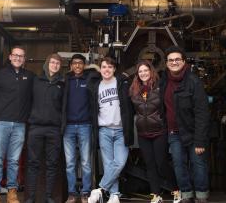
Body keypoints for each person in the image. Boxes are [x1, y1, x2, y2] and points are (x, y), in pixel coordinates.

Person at [160, 46, 211, 203]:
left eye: (177, 59)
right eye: (171, 60)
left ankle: (201, 196)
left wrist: (200, 140)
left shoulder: (193, 81)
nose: (174, 62)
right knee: (179, 165)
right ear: (166, 63)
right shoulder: (164, 81)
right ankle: (186, 195)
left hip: (193, 132)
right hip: (174, 133)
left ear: (183, 61)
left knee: (198, 165)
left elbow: (202, 112)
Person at [0, 46, 35, 203]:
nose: (18, 58)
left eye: (21, 56)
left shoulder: (30, 77)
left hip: (20, 124)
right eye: (15, 55)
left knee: (14, 160)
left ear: (24, 59)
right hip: (0, 123)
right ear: (10, 57)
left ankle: (12, 192)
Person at [87, 57, 134, 203]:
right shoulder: (96, 86)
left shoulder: (123, 83)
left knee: (119, 163)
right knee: (108, 165)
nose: (106, 69)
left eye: (110, 67)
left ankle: (100, 189)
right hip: (104, 131)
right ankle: (114, 195)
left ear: (114, 69)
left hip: (121, 130)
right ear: (99, 69)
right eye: (104, 67)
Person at [25, 53, 64, 203]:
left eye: (57, 63)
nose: (54, 65)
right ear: (47, 64)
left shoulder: (62, 83)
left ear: (60, 66)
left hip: (54, 129)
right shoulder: (36, 81)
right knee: (33, 163)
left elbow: (64, 106)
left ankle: (48, 196)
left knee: (52, 163)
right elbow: (27, 101)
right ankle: (31, 197)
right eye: (52, 62)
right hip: (35, 127)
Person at [129, 60, 168, 203]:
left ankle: (177, 190)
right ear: (137, 75)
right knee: (150, 164)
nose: (143, 73)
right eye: (140, 71)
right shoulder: (134, 90)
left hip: (159, 131)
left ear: (151, 71)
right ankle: (156, 195)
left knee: (161, 163)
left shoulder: (160, 87)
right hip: (143, 133)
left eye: (146, 70)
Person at [62, 54, 93, 203]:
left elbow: (100, 72)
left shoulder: (89, 79)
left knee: (86, 162)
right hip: (68, 126)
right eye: (75, 63)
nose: (77, 66)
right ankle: (72, 193)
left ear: (84, 65)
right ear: (71, 65)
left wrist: (95, 66)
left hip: (85, 125)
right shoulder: (66, 80)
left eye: (80, 63)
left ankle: (86, 192)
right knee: (70, 163)